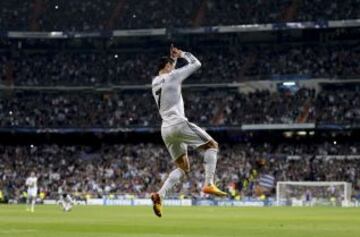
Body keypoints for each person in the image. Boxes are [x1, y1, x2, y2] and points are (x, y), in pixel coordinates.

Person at [150, 44, 226, 217]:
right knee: (212, 146)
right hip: (178, 123)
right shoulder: (174, 76)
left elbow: (168, 74)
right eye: (171, 65)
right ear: (168, 67)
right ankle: (209, 183)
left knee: (183, 168)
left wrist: (173, 60)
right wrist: (182, 54)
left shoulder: (155, 82)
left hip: (166, 130)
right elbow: (196, 63)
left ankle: (159, 195)